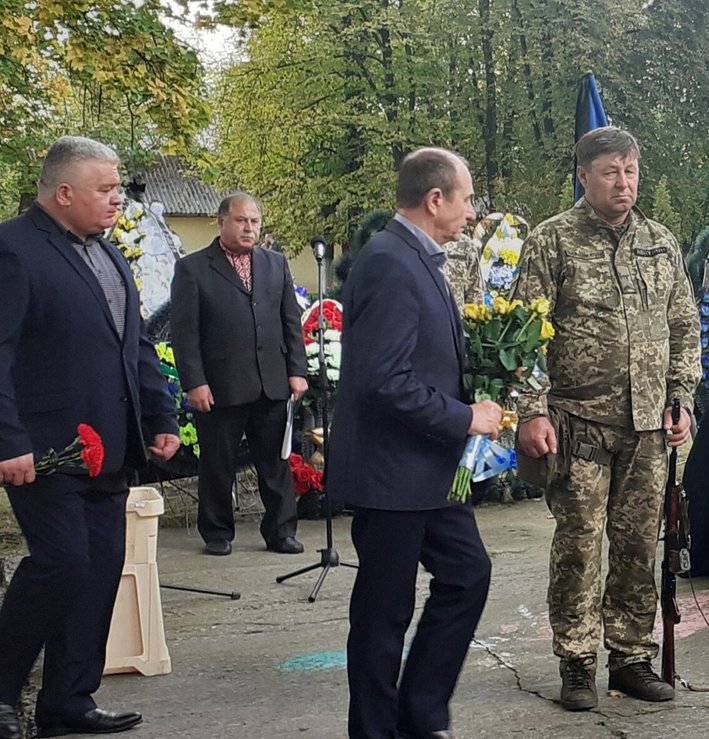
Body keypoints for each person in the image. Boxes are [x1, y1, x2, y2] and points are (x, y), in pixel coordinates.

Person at [511, 126, 699, 712]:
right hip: (579, 425)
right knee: (579, 546)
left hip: (648, 428)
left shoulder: (660, 242)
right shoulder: (552, 241)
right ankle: (576, 661)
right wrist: (531, 410)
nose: (623, 183)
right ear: (584, 176)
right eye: (610, 172)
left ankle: (631, 658)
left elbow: (683, 326)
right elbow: (523, 333)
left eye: (630, 171)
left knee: (639, 546)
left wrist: (681, 398)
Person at [0, 136, 180, 739]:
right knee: (61, 563)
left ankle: (68, 700)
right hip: (44, 448)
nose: (116, 199)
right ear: (64, 192)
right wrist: (7, 439)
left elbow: (136, 344)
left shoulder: (108, 253)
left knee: (100, 570)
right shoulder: (13, 248)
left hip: (112, 445)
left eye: (116, 187)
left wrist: (160, 417)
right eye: (105, 189)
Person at [327, 148, 504, 739]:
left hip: (428, 472)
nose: (471, 212)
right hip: (391, 474)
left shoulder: (416, 257)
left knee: (467, 575)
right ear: (435, 199)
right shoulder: (389, 262)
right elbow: (384, 381)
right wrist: (465, 417)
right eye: (467, 199)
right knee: (384, 614)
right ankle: (376, 730)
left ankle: (420, 713)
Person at [169, 193, 308, 557]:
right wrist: (194, 382)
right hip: (220, 386)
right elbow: (184, 333)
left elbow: (290, 322)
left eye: (254, 221)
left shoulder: (275, 263)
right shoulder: (193, 269)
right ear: (222, 222)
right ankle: (217, 532)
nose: (249, 228)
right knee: (218, 464)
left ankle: (281, 531)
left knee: (276, 464)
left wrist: (297, 370)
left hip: (271, 382)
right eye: (241, 220)